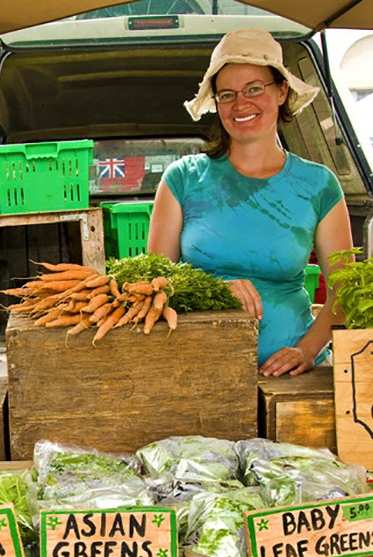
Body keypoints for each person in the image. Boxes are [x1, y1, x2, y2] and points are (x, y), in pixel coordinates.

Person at [147, 29, 354, 377]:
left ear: (281, 90)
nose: (241, 104)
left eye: (254, 89)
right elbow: (152, 284)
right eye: (227, 94)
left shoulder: (318, 186)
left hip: (291, 379)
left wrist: (305, 351)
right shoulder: (182, 179)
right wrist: (212, 289)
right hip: (196, 372)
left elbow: (344, 293)